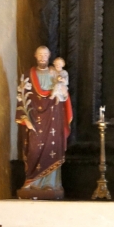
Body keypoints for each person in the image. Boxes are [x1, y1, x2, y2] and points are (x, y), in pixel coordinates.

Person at [16, 45, 73, 199]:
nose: (42, 57)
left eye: (45, 55)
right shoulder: (28, 74)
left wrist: (62, 93)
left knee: (52, 147)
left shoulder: (55, 73)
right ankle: (32, 182)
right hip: (36, 119)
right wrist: (25, 118)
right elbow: (22, 97)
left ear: (49, 57)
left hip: (54, 117)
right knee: (34, 148)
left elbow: (64, 94)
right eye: (40, 55)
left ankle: (51, 184)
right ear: (35, 56)